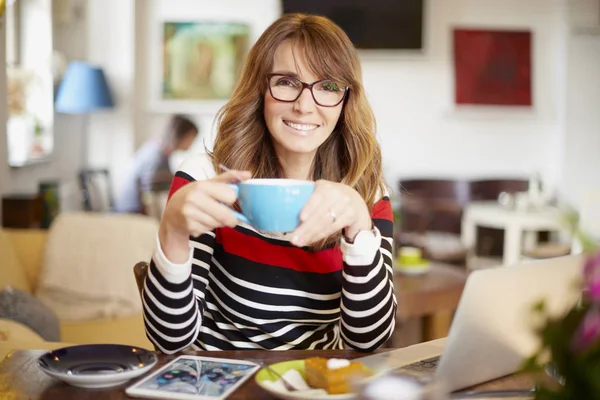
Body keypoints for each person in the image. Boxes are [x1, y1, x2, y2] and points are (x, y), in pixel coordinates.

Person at [142, 13, 396, 354]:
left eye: (328, 87)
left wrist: (360, 228)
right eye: (287, 82)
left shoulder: (366, 193)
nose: (305, 106)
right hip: (222, 380)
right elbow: (169, 339)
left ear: (346, 101)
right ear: (261, 88)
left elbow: (369, 339)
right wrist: (172, 228)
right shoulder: (206, 178)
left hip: (313, 383)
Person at [115, 115, 198, 213]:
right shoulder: (155, 155)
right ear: (182, 135)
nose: (192, 143)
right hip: (131, 209)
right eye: (192, 137)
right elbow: (148, 191)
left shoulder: (160, 150)